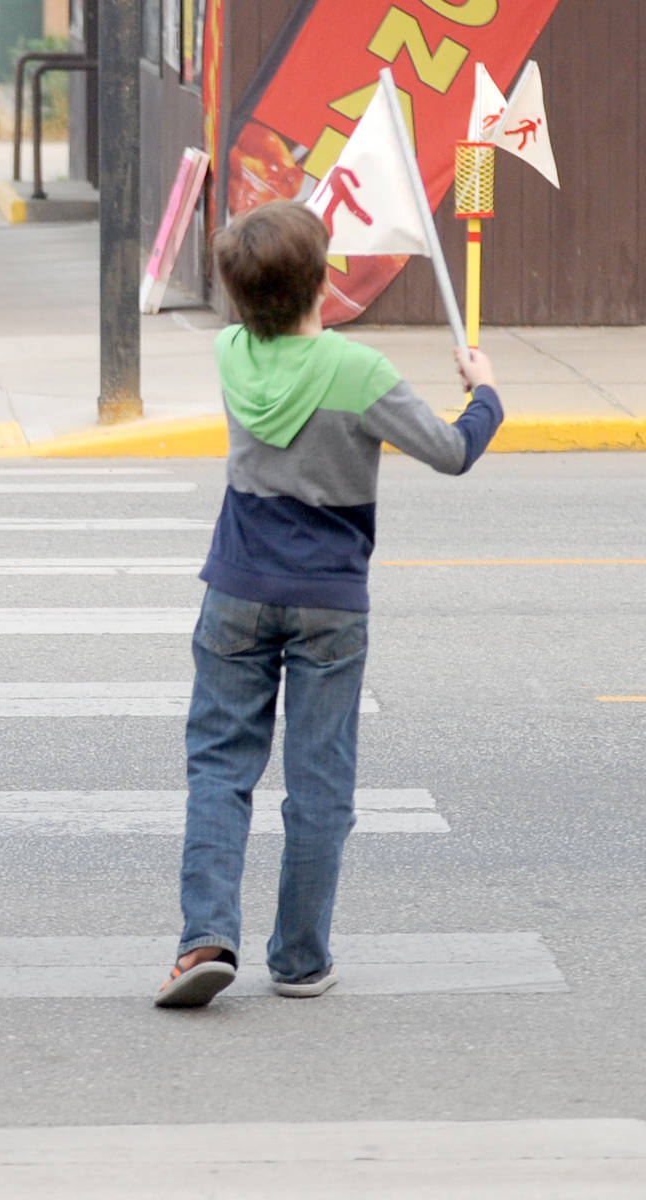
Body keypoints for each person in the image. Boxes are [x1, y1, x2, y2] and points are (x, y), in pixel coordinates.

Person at [154, 201, 504, 1008]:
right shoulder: (360, 372)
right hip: (330, 603)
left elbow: (265, 318)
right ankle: (300, 959)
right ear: (324, 279)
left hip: (236, 588)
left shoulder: (231, 352)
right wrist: (485, 393)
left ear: (238, 296)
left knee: (218, 769)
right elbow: (452, 453)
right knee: (319, 783)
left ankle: (204, 938)